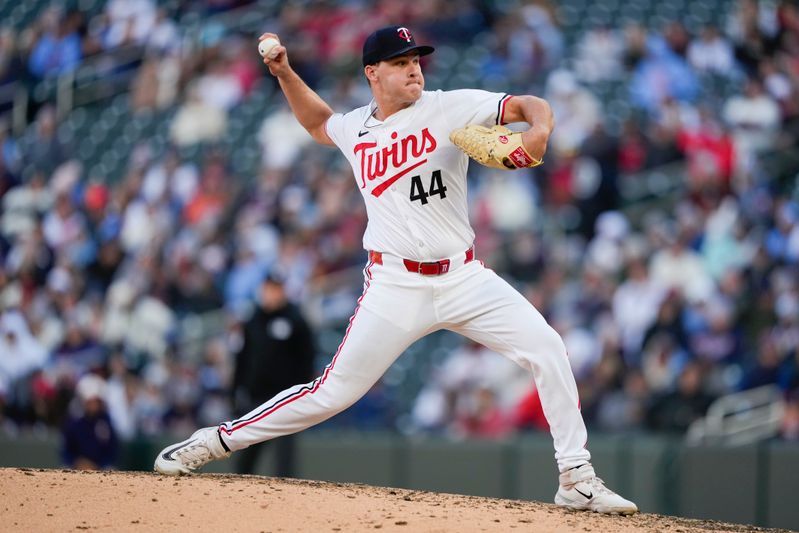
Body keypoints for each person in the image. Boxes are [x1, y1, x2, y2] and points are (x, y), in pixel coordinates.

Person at [154, 25, 638, 515]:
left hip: (463, 276)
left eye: (417, 59)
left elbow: (530, 103)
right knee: (332, 393)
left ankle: (576, 477)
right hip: (395, 284)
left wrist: (538, 132)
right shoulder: (355, 129)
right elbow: (319, 123)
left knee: (548, 347)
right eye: (402, 62)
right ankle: (214, 441)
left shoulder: (447, 105)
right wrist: (283, 73)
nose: (414, 68)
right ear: (373, 73)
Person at [230, 272, 315, 475]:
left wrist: (302, 393)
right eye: (268, 288)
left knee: (284, 458)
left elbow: (307, 358)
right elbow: (242, 360)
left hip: (285, 398)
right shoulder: (253, 320)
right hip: (256, 397)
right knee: (247, 452)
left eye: (276, 288)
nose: (271, 293)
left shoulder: (295, 320)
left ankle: (285, 501)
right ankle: (236, 496)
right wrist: (234, 391)